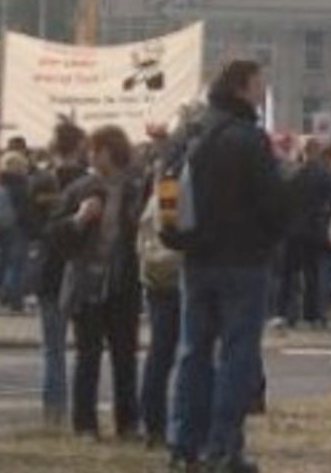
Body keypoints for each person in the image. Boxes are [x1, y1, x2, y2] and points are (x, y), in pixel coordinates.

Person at [169, 59, 291, 473]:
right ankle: (223, 446)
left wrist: (180, 236)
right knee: (237, 354)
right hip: (242, 260)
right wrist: (270, 236)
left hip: (195, 257)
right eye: (258, 83)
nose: (262, 90)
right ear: (241, 87)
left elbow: (165, 190)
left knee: (193, 352)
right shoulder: (249, 139)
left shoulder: (189, 134)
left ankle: (184, 444)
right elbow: (274, 203)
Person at [49, 125, 143, 440]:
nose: (89, 156)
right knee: (87, 355)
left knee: (124, 355)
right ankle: (85, 424)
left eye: (94, 150)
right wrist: (78, 219)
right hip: (87, 281)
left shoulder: (133, 189)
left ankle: (127, 422)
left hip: (123, 281)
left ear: (107, 152)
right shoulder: (80, 189)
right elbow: (54, 235)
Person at [33, 121, 87, 426]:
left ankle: (53, 410)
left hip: (49, 269)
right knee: (85, 346)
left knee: (52, 348)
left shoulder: (40, 181)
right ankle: (81, 410)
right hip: (79, 267)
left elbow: (30, 224)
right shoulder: (89, 183)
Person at [137, 124, 186, 447]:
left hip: (157, 275)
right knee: (169, 353)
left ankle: (154, 422)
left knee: (162, 352)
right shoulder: (170, 186)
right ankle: (157, 422)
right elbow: (169, 231)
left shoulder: (160, 184)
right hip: (172, 276)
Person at [274, 138, 331, 329]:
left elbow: (280, 201)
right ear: (317, 151)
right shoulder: (326, 174)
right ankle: (312, 315)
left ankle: (283, 313)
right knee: (312, 274)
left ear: (302, 151)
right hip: (314, 229)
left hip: (291, 230)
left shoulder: (290, 173)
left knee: (288, 274)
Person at [0, 151, 30, 314]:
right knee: (17, 266)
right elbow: (24, 210)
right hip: (18, 228)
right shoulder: (21, 185)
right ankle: (16, 302)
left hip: (0, 227)